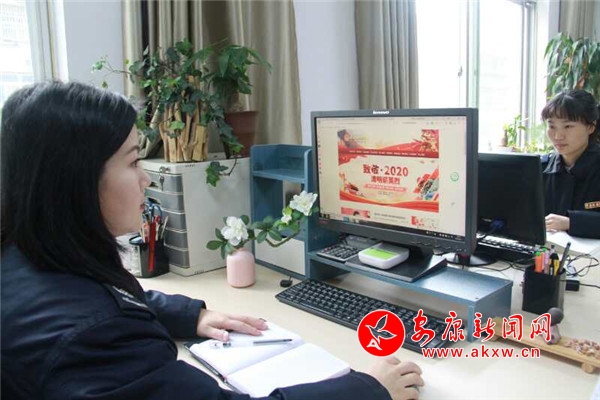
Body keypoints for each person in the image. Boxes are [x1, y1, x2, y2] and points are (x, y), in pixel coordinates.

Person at [1, 81, 424, 400]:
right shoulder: (93, 340)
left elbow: (109, 298)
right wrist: (368, 389)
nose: (146, 178)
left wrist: (192, 316)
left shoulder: (25, 255)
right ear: (75, 182)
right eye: (133, 162)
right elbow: (100, 320)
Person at [541, 89, 600, 239]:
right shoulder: (540, 168)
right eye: (552, 126)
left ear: (591, 127)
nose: (558, 136)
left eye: (568, 126)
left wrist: (570, 222)